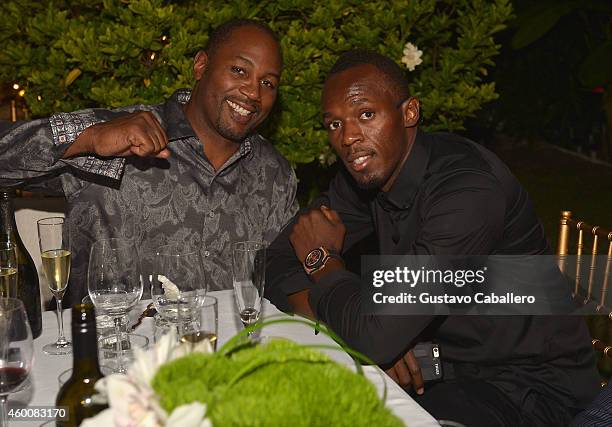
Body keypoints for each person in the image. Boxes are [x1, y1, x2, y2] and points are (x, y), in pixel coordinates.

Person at [265, 50, 600, 426]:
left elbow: (372, 330)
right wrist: (364, 326)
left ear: (409, 113)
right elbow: (274, 261)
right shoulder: (366, 176)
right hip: (442, 365)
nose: (349, 138)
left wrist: (323, 266)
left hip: (529, 387)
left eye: (366, 114)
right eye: (334, 125)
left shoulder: (467, 192)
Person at [0, 19, 297, 305]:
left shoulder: (274, 174)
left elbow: (283, 278)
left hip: (226, 351)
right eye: (239, 70)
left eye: (268, 83)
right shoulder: (115, 133)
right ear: (201, 65)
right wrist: (87, 140)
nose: (254, 92)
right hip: (110, 349)